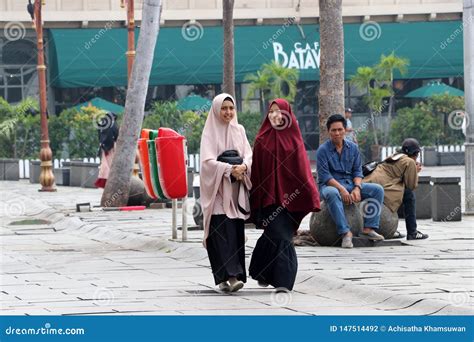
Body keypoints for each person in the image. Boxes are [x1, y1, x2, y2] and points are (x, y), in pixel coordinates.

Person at [249, 98, 320, 291]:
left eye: (278, 111)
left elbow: (303, 170)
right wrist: (257, 197)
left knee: (282, 236)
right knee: (275, 235)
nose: (274, 115)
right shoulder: (261, 139)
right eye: (271, 111)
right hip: (269, 199)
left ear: (286, 115)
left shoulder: (294, 139)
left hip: (292, 200)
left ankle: (282, 282)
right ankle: (267, 273)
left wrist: (308, 194)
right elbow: (257, 171)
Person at [200, 93, 252, 293]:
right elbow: (207, 163)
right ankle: (227, 276)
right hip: (217, 191)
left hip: (236, 190)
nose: (228, 112)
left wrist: (244, 167)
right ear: (216, 110)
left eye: (231, 108)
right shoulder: (209, 133)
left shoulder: (239, 130)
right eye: (224, 108)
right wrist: (229, 169)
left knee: (234, 231)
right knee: (220, 232)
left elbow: (248, 154)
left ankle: (233, 275)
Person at [316, 114, 384, 248]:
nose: (337, 133)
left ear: (345, 130)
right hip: (330, 186)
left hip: (350, 184)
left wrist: (357, 188)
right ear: (328, 131)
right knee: (331, 193)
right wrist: (341, 190)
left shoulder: (353, 148)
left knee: (377, 190)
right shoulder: (322, 151)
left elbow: (358, 171)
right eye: (333, 130)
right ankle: (345, 233)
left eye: (340, 129)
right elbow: (325, 176)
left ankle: (369, 229)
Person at [363, 138, 429, 240]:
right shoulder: (410, 161)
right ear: (416, 153)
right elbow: (411, 185)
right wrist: (415, 171)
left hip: (369, 181)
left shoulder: (396, 155)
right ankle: (412, 232)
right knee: (409, 195)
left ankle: (392, 229)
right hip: (381, 187)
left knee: (402, 192)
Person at [95, 112, 119, 188]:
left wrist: (103, 145)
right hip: (112, 147)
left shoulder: (103, 123)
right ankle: (111, 182)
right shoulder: (113, 124)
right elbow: (116, 135)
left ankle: (105, 182)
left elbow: (100, 135)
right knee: (111, 164)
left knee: (106, 165)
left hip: (104, 146)